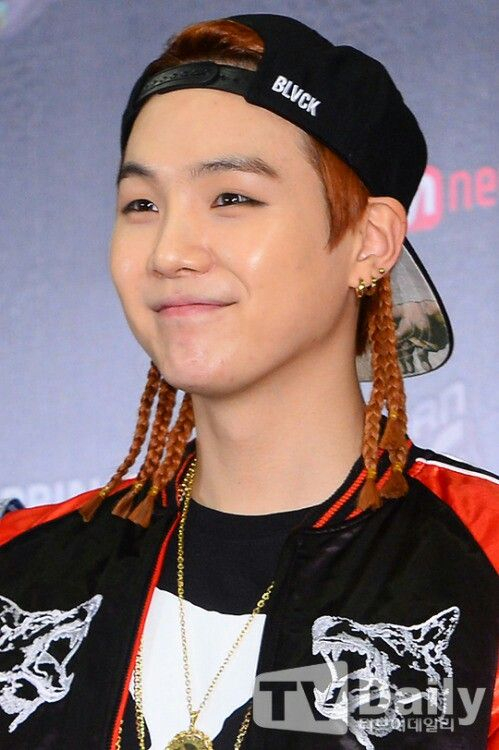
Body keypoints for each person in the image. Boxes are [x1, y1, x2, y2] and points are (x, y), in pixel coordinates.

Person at [0, 13, 497, 750]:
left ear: (369, 241)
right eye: (141, 205)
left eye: (231, 198)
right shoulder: (20, 568)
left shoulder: (481, 554)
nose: (168, 251)